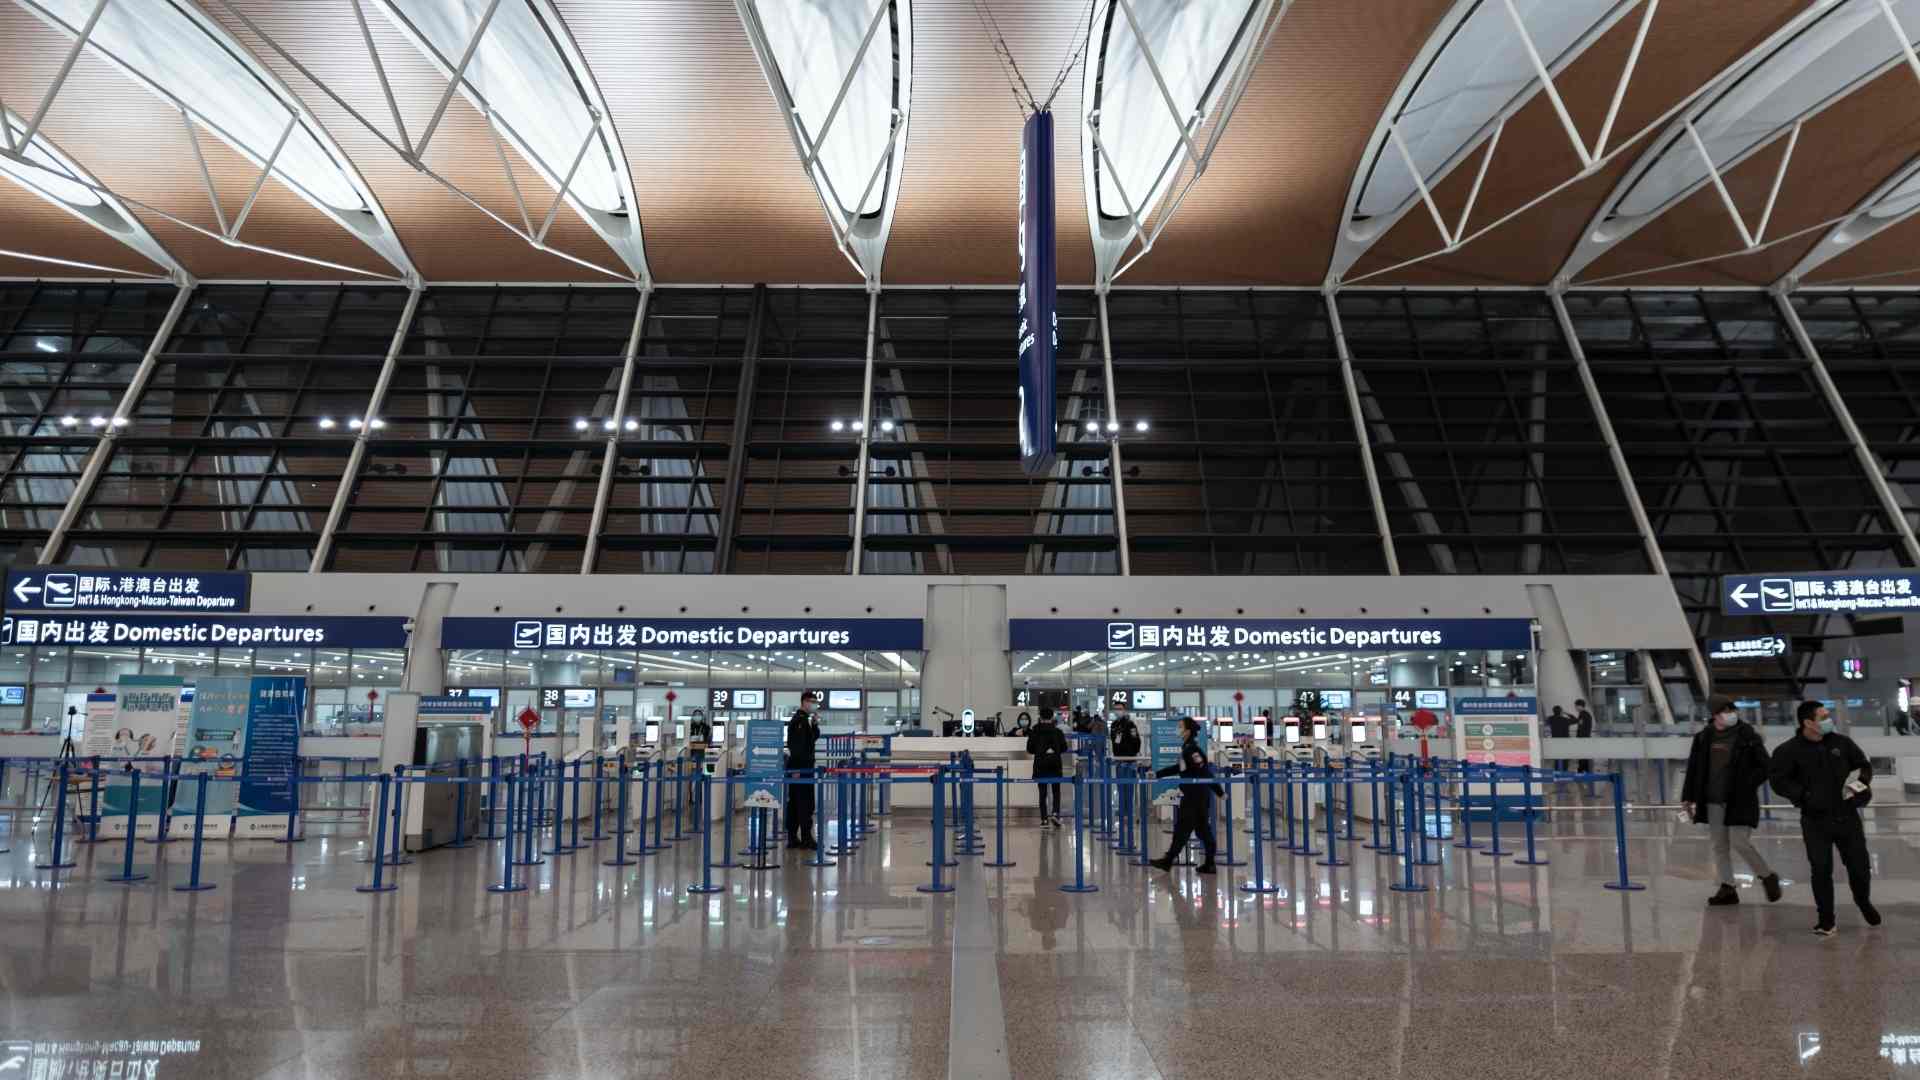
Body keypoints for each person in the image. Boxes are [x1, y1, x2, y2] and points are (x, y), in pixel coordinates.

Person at [1769, 700, 1880, 935]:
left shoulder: (1842, 743)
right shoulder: (1788, 751)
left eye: (1828, 715)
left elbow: (1863, 766)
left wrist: (1858, 785)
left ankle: (1863, 901)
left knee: (1859, 867)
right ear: (1808, 723)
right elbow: (1779, 782)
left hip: (1847, 816)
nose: (1830, 721)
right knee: (1821, 869)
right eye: (1824, 717)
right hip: (1815, 821)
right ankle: (1826, 920)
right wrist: (1805, 795)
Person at [1680, 696, 1781, 906]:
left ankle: (1766, 875)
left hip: (1740, 800)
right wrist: (1688, 796)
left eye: (1732, 709)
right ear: (1714, 715)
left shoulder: (1747, 736)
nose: (1731, 714)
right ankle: (1727, 887)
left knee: (1739, 842)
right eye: (1725, 710)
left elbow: (1765, 766)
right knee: (1719, 845)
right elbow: (1694, 769)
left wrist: (1747, 784)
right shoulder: (1703, 738)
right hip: (1712, 800)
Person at [1150, 716, 1220, 875]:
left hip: (1195, 796)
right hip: (1196, 794)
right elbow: (1180, 768)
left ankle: (1168, 861)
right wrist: (1158, 774)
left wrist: (1219, 791)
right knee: (1202, 830)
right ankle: (1209, 864)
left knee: (1183, 828)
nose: (1178, 730)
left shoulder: (1192, 749)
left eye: (1180, 727)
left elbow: (1204, 771)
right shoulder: (1187, 748)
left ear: (1188, 731)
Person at [785, 694, 821, 849]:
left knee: (796, 802)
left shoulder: (804, 720)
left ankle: (793, 838)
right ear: (804, 702)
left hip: (802, 767)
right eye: (813, 702)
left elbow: (811, 740)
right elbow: (798, 748)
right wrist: (797, 769)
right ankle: (805, 838)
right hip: (801, 768)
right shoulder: (799, 720)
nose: (815, 705)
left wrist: (814, 725)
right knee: (804, 803)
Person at [1026, 710, 1069, 827]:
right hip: (1055, 765)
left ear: (1040, 717)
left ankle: (1044, 819)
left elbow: (1029, 749)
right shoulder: (1058, 732)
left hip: (1040, 765)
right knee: (1056, 791)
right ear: (1052, 717)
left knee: (1042, 793)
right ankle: (1055, 813)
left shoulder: (1035, 730)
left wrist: (1040, 750)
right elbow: (1064, 748)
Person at [1110, 703, 1142, 823]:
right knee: (1120, 789)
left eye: (1120, 709)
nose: (1118, 711)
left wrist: (1132, 753)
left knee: (1129, 789)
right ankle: (1123, 814)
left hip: (1129, 761)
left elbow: (1137, 741)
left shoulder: (1130, 725)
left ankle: (1128, 814)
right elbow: (1114, 741)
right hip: (1119, 760)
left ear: (1124, 710)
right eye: (1116, 709)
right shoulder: (1114, 725)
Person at [1546, 705, 1573, 771]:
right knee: (1565, 757)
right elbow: (1575, 720)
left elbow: (1545, 723)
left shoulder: (1550, 719)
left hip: (1555, 741)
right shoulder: (1565, 720)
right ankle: (1564, 771)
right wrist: (1566, 713)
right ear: (1561, 712)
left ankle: (1557, 771)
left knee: (1557, 757)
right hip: (1565, 741)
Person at [1573, 698, 1594, 775]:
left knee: (1582, 755)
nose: (1575, 708)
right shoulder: (1586, 714)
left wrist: (1579, 738)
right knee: (1584, 755)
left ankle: (1581, 771)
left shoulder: (1583, 714)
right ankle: (1584, 770)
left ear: (1580, 706)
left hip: (1583, 738)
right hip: (1585, 737)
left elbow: (1580, 726)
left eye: (1575, 706)